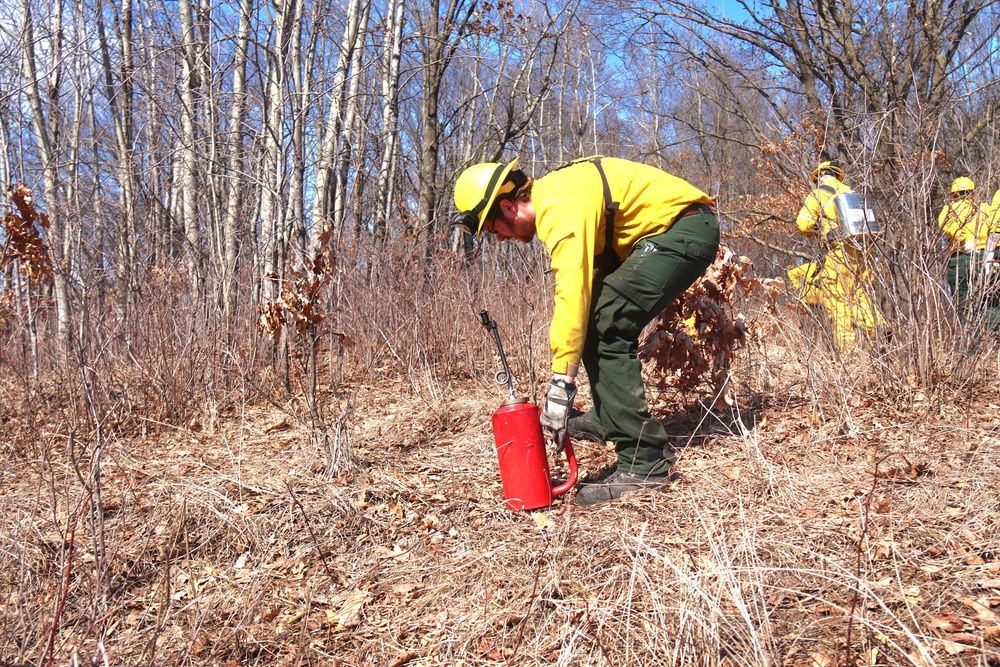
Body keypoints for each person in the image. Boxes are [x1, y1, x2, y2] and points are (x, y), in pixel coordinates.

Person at [453, 156, 720, 506]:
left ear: (507, 206)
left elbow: (572, 294)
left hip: (683, 231)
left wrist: (561, 384)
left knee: (606, 320)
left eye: (493, 229)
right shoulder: (557, 196)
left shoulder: (559, 208)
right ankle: (609, 418)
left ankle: (646, 463)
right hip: (661, 235)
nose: (500, 239)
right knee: (600, 315)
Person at [787, 161, 883, 350]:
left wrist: (820, 231)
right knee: (860, 297)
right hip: (866, 255)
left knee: (838, 302)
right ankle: (879, 329)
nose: (818, 181)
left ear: (822, 176)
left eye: (818, 178)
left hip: (838, 253)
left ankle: (849, 353)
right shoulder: (855, 195)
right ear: (837, 176)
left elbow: (803, 224)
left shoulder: (819, 194)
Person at [938, 177, 1000, 326]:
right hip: (987, 258)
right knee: (990, 301)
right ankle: (993, 340)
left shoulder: (950, 209)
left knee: (965, 304)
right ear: (973, 192)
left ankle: (974, 346)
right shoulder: (984, 207)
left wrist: (964, 240)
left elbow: (947, 227)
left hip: (961, 260)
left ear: (953, 194)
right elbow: (995, 227)